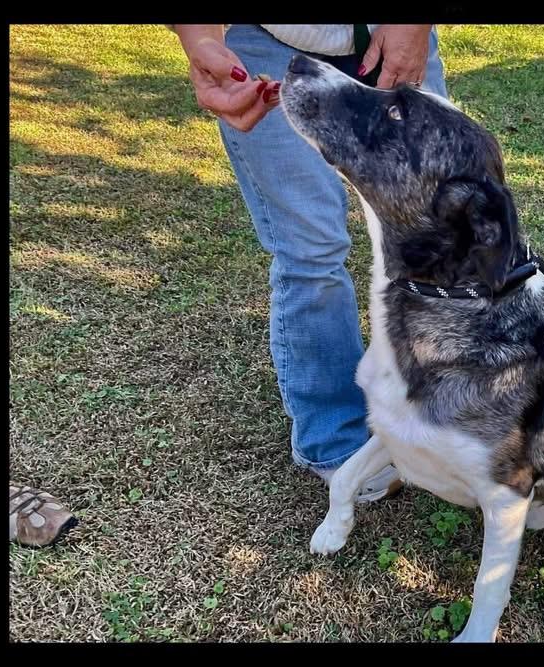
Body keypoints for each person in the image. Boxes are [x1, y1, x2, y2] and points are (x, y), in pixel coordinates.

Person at [171, 25, 449, 502]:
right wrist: (200, 41)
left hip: (393, 35)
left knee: (432, 233)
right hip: (265, 43)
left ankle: (441, 416)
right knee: (311, 248)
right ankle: (334, 439)